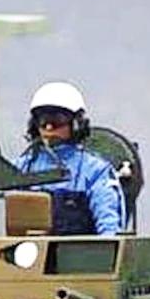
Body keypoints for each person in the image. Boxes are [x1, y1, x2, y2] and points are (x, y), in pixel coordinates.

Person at [17, 81, 126, 235]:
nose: (49, 127)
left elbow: (108, 223)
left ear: (76, 124)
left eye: (57, 120)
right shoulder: (20, 168)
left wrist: (106, 244)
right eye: (43, 120)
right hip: (25, 249)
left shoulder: (95, 171)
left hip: (79, 250)